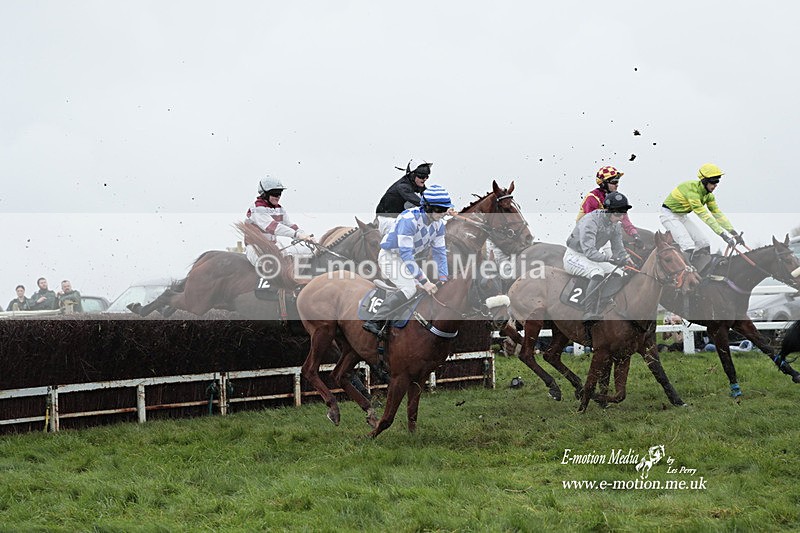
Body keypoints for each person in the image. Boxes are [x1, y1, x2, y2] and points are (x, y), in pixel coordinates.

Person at [363, 184, 454, 336]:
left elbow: (440, 254)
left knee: (421, 290)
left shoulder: (439, 225)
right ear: (427, 207)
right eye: (439, 209)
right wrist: (425, 282)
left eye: (445, 209)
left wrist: (444, 277)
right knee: (410, 288)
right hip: (390, 257)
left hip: (407, 260)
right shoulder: (408, 220)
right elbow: (406, 255)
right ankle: (374, 320)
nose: (443, 214)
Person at [564, 192, 633, 326]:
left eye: (623, 214)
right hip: (574, 256)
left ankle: (603, 303)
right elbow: (589, 252)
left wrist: (627, 258)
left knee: (621, 273)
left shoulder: (615, 225)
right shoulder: (590, 221)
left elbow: (618, 248)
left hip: (593, 257)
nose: (621, 218)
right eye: (618, 214)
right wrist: (611, 259)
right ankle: (588, 311)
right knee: (597, 273)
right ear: (608, 211)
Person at [659, 163, 743, 272]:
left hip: (682, 216)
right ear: (704, 181)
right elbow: (704, 216)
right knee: (688, 245)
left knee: (704, 243)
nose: (715, 185)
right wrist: (723, 235)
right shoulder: (692, 192)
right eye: (713, 182)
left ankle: (700, 271)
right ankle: (683, 275)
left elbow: (718, 215)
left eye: (717, 181)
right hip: (668, 215)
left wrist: (734, 233)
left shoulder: (709, 196)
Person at [244, 174, 316, 266]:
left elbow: (289, 226)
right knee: (268, 265)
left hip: (272, 246)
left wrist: (305, 235)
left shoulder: (279, 209)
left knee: (308, 252)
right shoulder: (257, 208)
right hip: (255, 248)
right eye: (274, 193)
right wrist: (298, 235)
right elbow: (272, 227)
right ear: (264, 194)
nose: (278, 196)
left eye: (280, 193)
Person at [577, 166, 642, 248]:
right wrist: (615, 240)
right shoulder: (592, 198)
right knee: (609, 252)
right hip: (587, 234)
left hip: (604, 232)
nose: (617, 185)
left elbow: (625, 221)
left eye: (617, 181)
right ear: (603, 183)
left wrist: (635, 235)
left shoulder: (616, 198)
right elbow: (592, 225)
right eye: (614, 182)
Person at [375, 159, 431, 235]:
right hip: (386, 220)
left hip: (398, 219)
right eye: (421, 176)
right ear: (412, 175)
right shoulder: (403, 186)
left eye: (426, 176)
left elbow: (431, 198)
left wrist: (447, 208)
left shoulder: (417, 185)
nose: (425, 179)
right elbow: (420, 202)